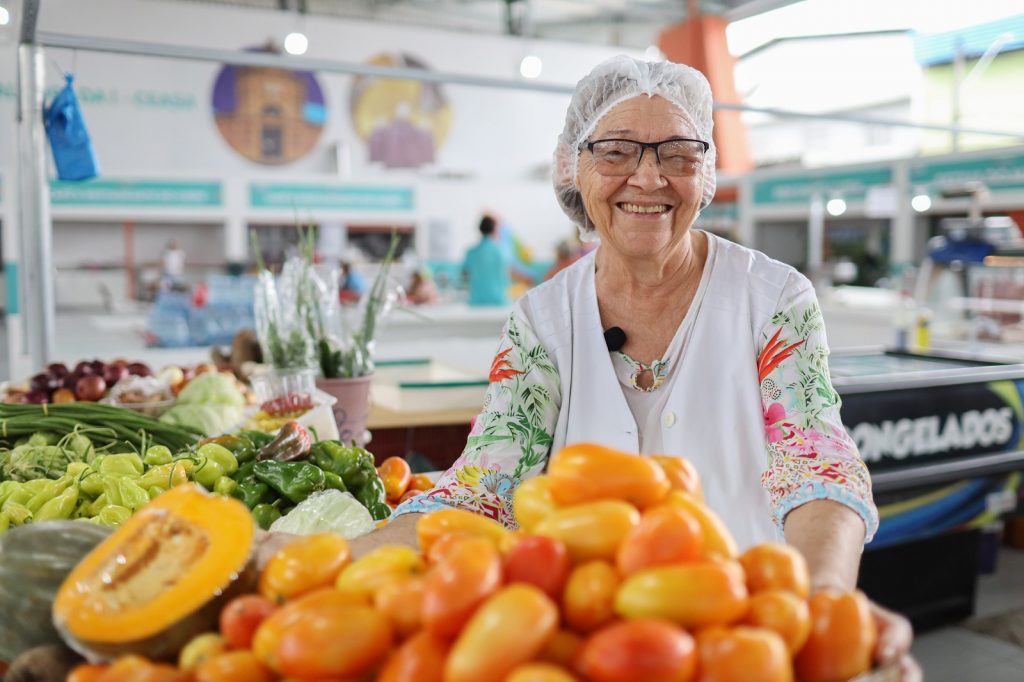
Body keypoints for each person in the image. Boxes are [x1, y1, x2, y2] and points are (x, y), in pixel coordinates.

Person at [267, 56, 919, 678]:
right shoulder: (543, 320)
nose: (648, 177)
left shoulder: (772, 299)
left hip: (746, 640)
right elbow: (485, 484)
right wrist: (322, 560)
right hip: (595, 645)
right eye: (616, 150)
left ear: (707, 171)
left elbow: (817, 462)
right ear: (575, 168)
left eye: (677, 152)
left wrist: (824, 605)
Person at [462, 214, 512, 306]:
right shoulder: (501, 252)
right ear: (494, 230)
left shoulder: (471, 253)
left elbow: (464, 276)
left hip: (476, 302)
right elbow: (506, 277)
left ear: (480, 230)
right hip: (498, 302)